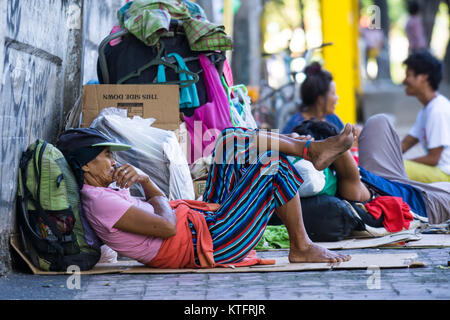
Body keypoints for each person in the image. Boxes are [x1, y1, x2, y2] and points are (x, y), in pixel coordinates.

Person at [56, 127, 355, 269]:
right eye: (105, 155)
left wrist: (149, 189)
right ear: (85, 165)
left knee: (228, 140)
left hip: (205, 223)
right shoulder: (100, 201)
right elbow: (168, 227)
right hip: (210, 244)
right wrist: (147, 181)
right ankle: (301, 246)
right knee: (270, 167)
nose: (113, 160)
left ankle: (309, 150)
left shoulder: (105, 189)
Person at [292, 119, 450, 225]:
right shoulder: (347, 186)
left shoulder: (337, 176)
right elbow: (339, 154)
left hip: (387, 180)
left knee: (378, 121)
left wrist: (292, 140)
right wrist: (331, 144)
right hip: (423, 204)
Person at [401, 50, 450, 183]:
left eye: (408, 75)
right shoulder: (427, 110)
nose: (404, 81)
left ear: (423, 77)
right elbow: (405, 144)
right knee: (390, 167)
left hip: (445, 174)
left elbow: (434, 159)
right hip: (439, 171)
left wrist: (396, 165)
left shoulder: (438, 110)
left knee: (397, 169)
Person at [281, 62, 344, 134]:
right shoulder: (295, 124)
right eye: (333, 93)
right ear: (320, 99)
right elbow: (276, 144)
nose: (337, 97)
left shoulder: (333, 119)